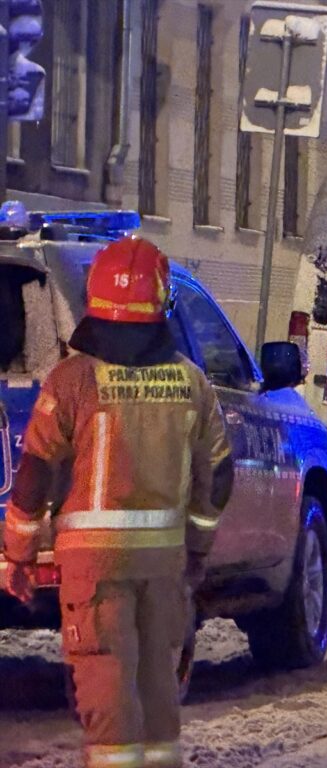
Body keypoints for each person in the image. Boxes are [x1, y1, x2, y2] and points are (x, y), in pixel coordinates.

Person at [2, 237, 233, 768]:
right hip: (165, 564)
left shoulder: (73, 379)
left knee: (107, 681)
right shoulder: (191, 382)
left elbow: (37, 470)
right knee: (157, 684)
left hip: (94, 568)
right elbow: (218, 473)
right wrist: (196, 546)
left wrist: (17, 551)